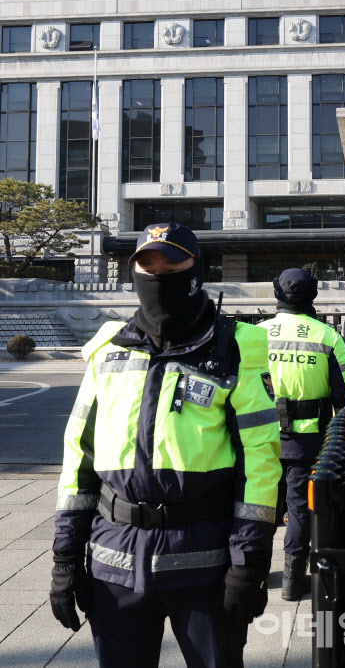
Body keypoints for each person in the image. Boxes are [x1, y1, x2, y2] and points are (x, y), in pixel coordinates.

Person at [49, 222, 281, 668]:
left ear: (197, 271)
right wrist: (64, 557)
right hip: (113, 558)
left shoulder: (236, 347)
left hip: (205, 563)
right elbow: (78, 460)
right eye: (147, 264)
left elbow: (260, 464)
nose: (158, 274)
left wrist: (248, 563)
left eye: (171, 263)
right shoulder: (108, 349)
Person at [258, 268, 345, 600]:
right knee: (299, 508)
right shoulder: (328, 337)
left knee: (257, 506)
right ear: (313, 296)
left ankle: (253, 574)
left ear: (276, 293)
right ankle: (292, 581)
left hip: (260, 439)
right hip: (308, 439)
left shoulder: (253, 334)